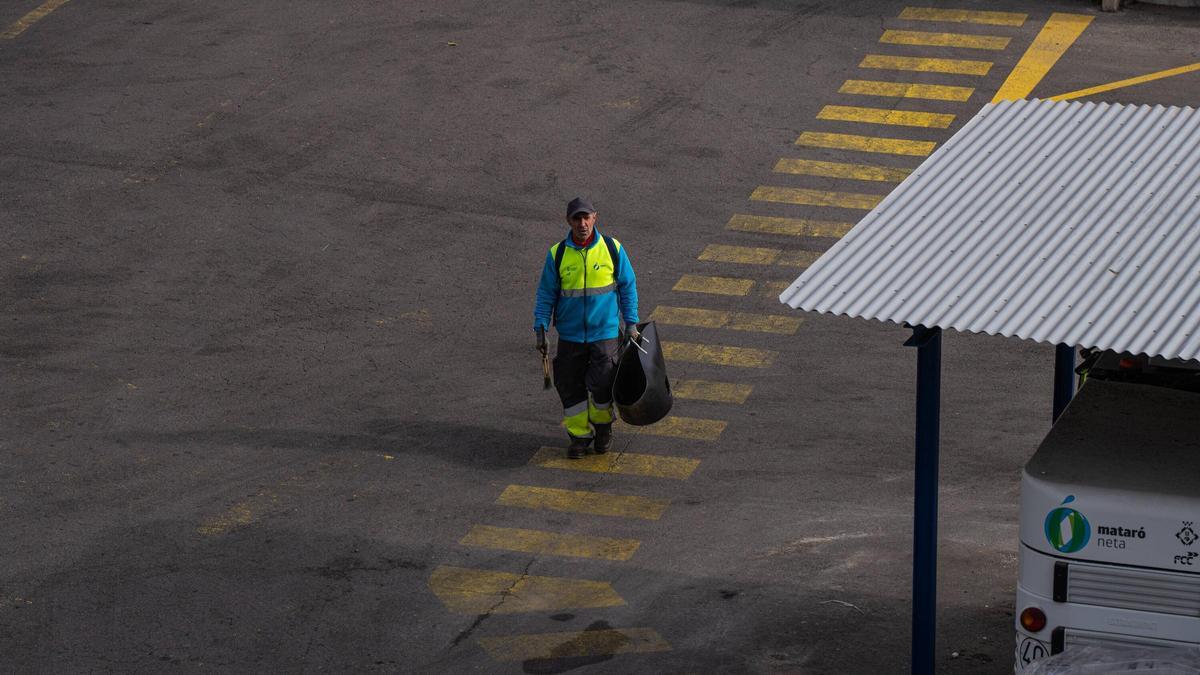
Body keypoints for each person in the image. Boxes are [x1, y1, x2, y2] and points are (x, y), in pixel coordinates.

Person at [533, 197, 639, 459]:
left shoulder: (612, 249)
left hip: (604, 333)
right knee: (570, 386)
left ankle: (603, 429)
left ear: (595, 217)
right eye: (576, 219)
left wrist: (632, 324)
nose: (582, 223)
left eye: (586, 218)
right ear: (568, 221)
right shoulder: (557, 254)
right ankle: (579, 437)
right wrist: (541, 326)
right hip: (570, 336)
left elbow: (627, 286)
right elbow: (546, 293)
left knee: (602, 384)